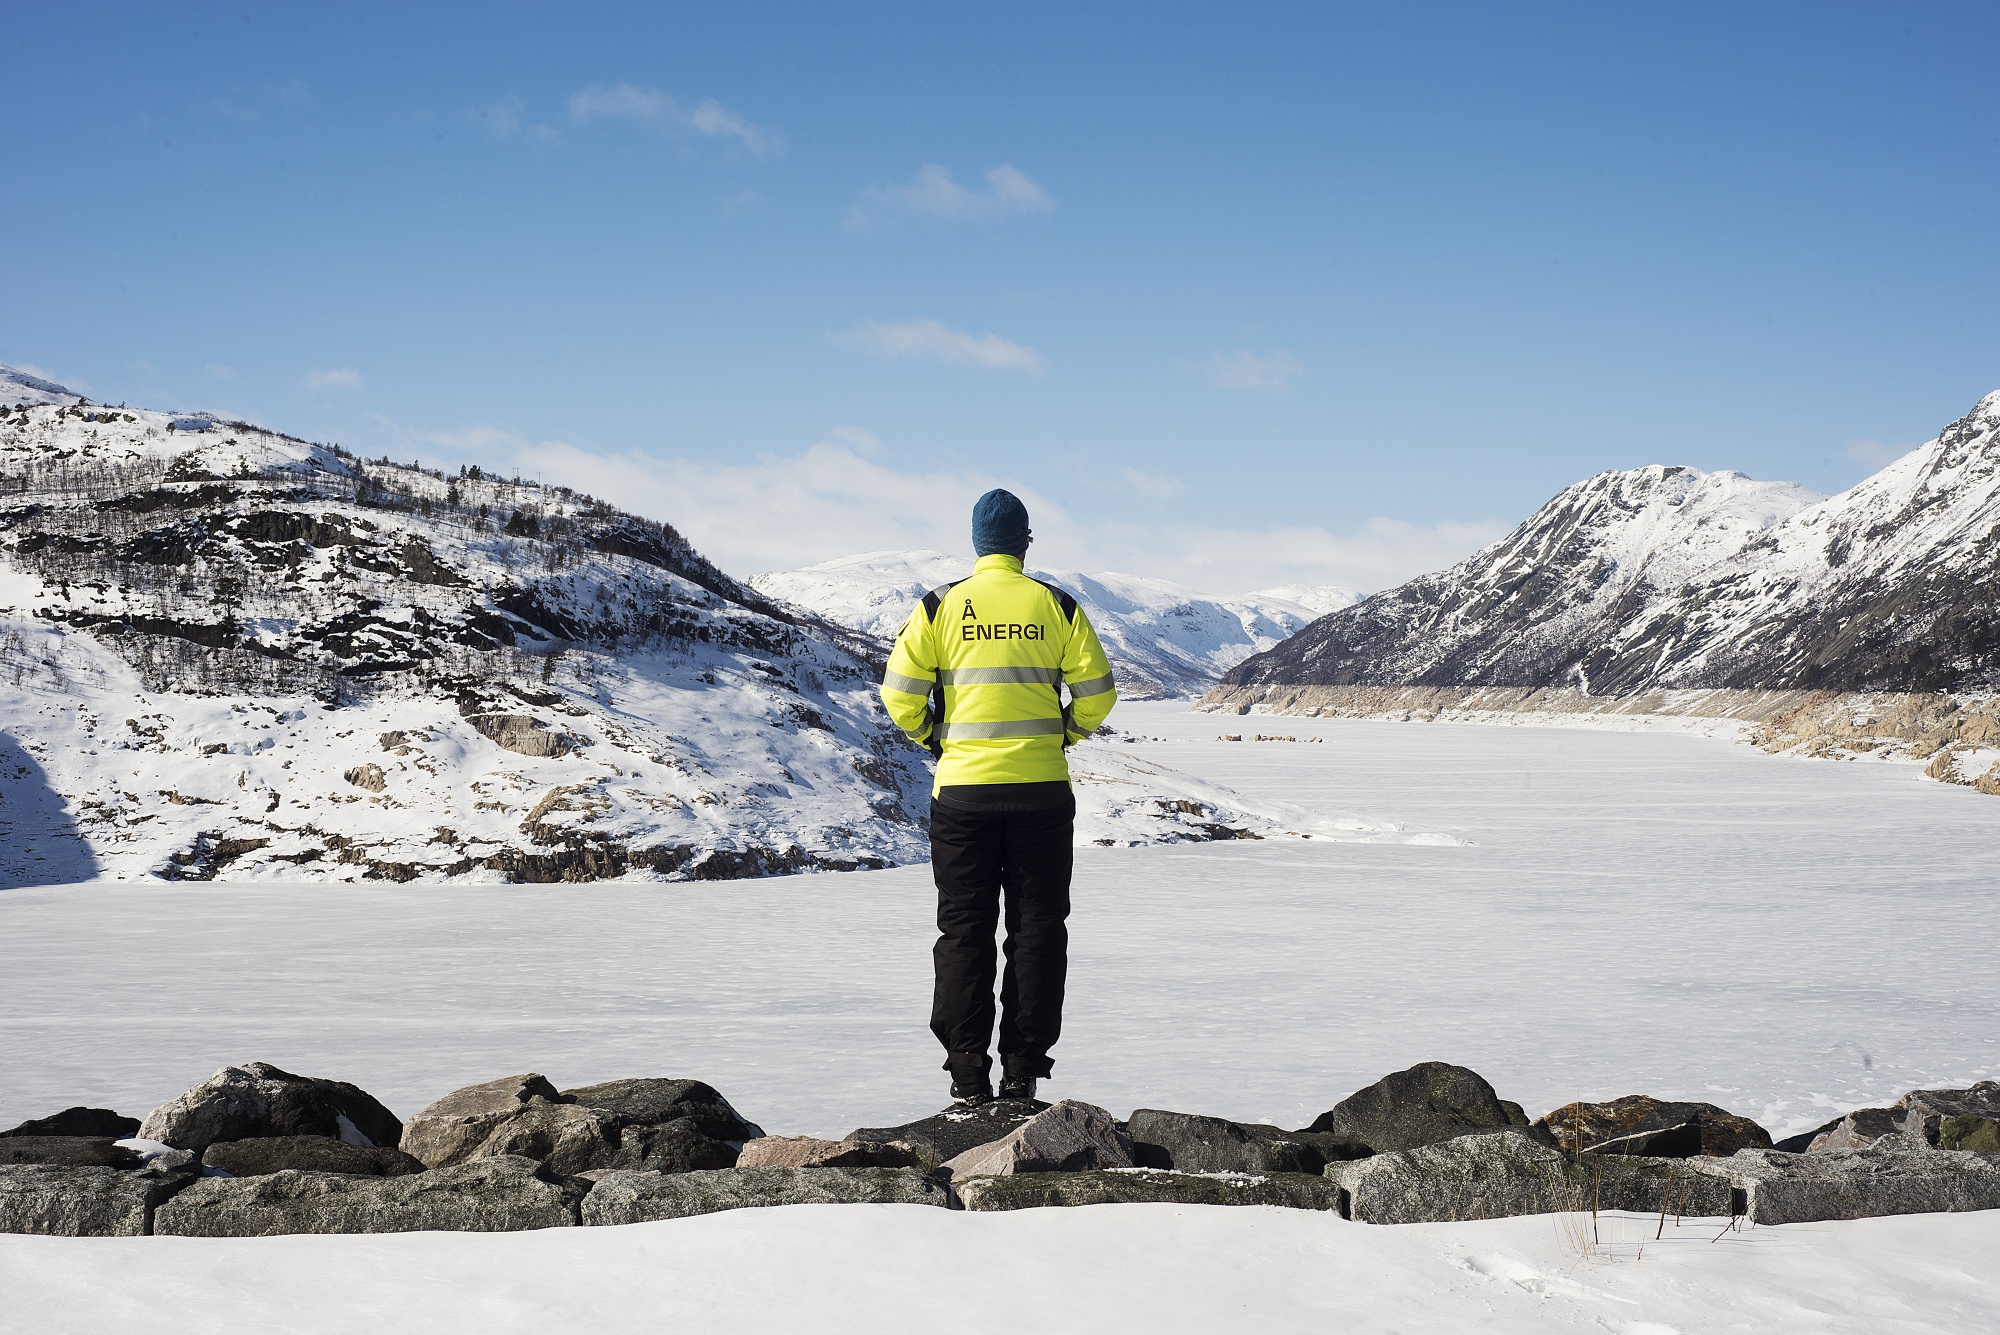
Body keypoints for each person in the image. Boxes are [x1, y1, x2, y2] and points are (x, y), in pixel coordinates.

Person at [879, 489, 1118, 1105]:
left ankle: (966, 1071)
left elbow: (899, 695)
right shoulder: (1057, 607)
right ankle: (1022, 1069)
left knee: (964, 929)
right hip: (1041, 794)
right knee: (1038, 928)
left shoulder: (939, 607)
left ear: (976, 543)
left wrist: (935, 738)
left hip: (962, 795)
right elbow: (1098, 695)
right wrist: (1064, 734)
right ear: (1025, 542)